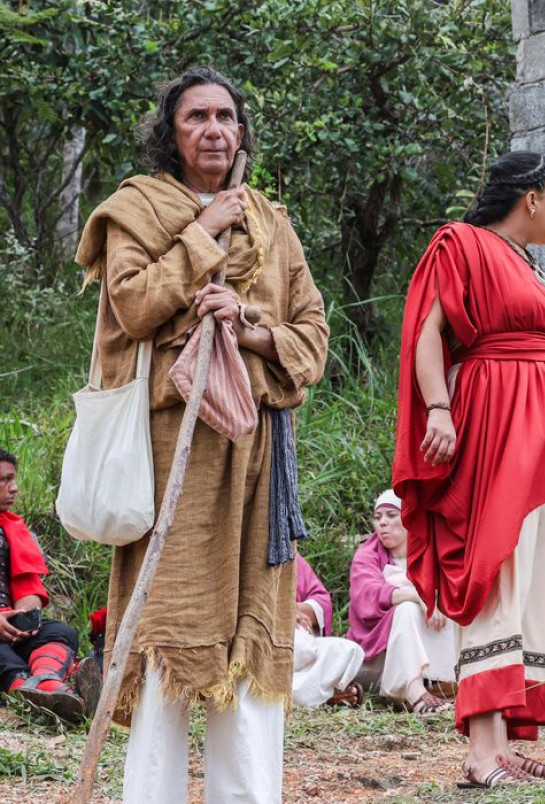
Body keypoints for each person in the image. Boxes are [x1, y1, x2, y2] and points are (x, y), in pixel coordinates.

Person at [74, 67, 329, 803]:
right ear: (172, 132)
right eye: (197, 118)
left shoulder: (273, 221)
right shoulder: (136, 209)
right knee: (166, 631)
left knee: (249, 643)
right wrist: (201, 236)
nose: (214, 129)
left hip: (256, 458)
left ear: (240, 130)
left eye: (225, 117)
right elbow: (133, 307)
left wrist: (251, 326)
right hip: (170, 457)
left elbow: (310, 339)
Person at [394, 150, 545, 788]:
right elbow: (427, 332)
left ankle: (504, 742)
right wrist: (437, 410)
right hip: (494, 418)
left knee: (534, 570)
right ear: (529, 197)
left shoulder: (531, 264)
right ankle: (479, 751)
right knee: (498, 562)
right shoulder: (462, 243)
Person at [346, 491, 457, 715]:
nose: (383, 522)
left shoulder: (430, 555)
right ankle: (413, 692)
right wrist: (419, 596)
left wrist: (434, 601)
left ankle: (448, 684)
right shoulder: (366, 556)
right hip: (378, 654)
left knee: (452, 610)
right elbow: (369, 595)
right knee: (406, 609)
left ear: (408, 518)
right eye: (378, 517)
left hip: (427, 651)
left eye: (391, 515)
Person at [0, 450, 88, 724]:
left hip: (10, 628)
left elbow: (29, 591)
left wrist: (26, 618)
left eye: (12, 479)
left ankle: (47, 684)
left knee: (60, 632)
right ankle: (32, 693)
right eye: (4, 480)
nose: (14, 488)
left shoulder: (13, 530)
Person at [291, 552, 364, 708]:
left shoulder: (288, 552)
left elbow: (320, 598)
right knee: (303, 648)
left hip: (299, 637)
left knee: (349, 650)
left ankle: (304, 693)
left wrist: (298, 609)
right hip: (262, 639)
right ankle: (327, 694)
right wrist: (281, 611)